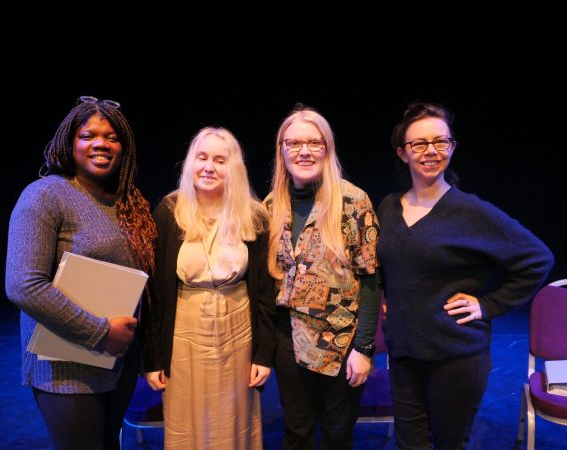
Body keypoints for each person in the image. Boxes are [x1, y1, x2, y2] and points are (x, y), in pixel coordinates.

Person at [377, 102, 555, 450]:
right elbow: (389, 264)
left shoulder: (471, 212)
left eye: (440, 141)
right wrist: (389, 298)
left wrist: (488, 304)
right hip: (403, 354)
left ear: (452, 147)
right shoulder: (388, 207)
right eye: (419, 144)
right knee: (408, 445)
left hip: (455, 356)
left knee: (449, 444)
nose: (431, 151)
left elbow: (537, 258)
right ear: (402, 153)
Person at [5, 95, 157, 450]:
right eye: (88, 135)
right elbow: (23, 285)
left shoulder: (127, 203)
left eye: (111, 137)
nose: (101, 144)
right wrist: (100, 332)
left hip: (117, 365)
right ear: (70, 142)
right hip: (67, 371)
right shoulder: (45, 196)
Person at [141, 127, 277, 450]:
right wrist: (152, 359)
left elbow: (264, 294)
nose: (209, 167)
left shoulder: (254, 216)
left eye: (220, 160)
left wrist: (264, 354)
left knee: (235, 422)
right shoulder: (169, 212)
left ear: (234, 169)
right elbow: (155, 294)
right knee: (187, 424)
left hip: (238, 336)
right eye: (202, 158)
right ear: (191, 163)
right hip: (184, 337)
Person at [264, 105, 381, 449]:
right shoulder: (272, 205)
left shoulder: (353, 201)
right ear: (281, 150)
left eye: (315, 143)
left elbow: (372, 280)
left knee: (337, 433)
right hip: (289, 338)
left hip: (341, 342)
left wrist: (364, 348)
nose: (304, 151)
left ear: (327, 149)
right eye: (294, 143)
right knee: (297, 430)